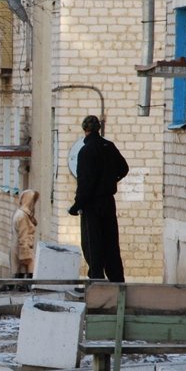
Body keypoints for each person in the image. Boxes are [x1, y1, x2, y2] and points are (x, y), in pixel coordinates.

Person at [68, 115, 129, 282]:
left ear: (85, 130)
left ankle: (97, 279)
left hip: (91, 204)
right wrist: (111, 180)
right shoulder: (109, 147)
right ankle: (117, 280)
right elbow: (124, 168)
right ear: (98, 129)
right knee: (110, 241)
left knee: (92, 242)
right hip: (108, 202)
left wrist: (77, 204)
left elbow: (85, 183)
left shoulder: (86, 151)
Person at [9, 189, 39, 283]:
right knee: (24, 278)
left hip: (21, 249)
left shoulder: (22, 214)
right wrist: (26, 256)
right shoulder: (22, 216)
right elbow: (23, 236)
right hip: (23, 250)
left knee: (20, 277)